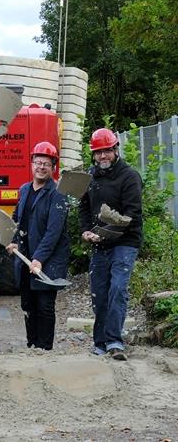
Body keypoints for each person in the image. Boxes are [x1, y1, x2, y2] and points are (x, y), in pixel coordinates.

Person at [79, 128, 143, 361]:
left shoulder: (129, 177)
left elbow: (132, 215)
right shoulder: (90, 176)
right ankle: (100, 342)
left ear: (116, 150)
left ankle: (115, 341)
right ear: (93, 155)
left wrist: (105, 234)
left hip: (125, 242)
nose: (103, 156)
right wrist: (86, 230)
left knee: (117, 288)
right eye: (99, 153)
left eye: (107, 151)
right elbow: (84, 206)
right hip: (99, 242)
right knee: (99, 292)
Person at [6, 142, 70, 350]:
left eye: (46, 163)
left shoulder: (58, 194)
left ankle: (45, 349)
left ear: (53, 167)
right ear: (31, 164)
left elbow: (54, 231)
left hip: (48, 261)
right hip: (25, 258)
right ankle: (32, 345)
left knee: (44, 306)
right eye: (38, 162)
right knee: (28, 305)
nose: (41, 167)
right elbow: (17, 219)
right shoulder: (24, 190)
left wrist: (39, 258)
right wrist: (13, 239)